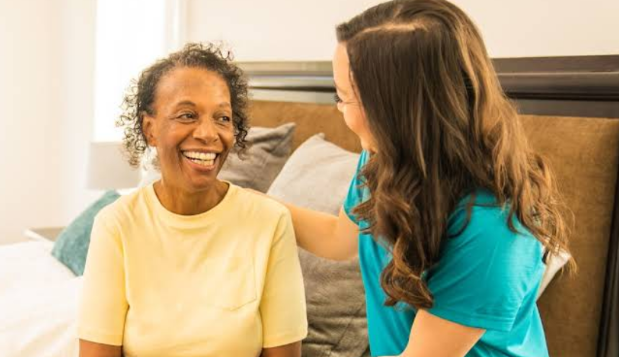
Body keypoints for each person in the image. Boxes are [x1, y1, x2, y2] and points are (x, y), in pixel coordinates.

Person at [276, 1, 572, 356]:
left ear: (397, 112)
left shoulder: (493, 228)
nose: (339, 109)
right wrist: (245, 203)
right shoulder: (384, 157)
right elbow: (338, 238)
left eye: (344, 97)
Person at [78, 43, 307, 357]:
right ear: (150, 129)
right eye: (187, 115)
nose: (209, 133)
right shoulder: (117, 224)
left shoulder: (269, 222)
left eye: (222, 118)